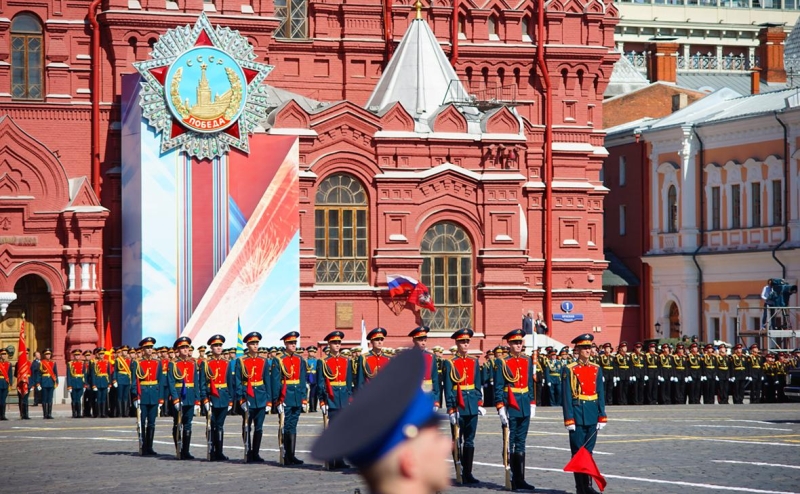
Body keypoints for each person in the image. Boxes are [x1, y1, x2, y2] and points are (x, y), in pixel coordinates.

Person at [311, 348, 450, 494]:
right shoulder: (335, 361)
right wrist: (324, 401)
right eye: (436, 438)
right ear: (408, 462)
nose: (448, 445)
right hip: (333, 398)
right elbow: (355, 382)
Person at [562, 333, 607, 494]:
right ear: (578, 349)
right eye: (585, 348)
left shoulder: (596, 368)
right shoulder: (570, 369)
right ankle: (581, 487)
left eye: (590, 347)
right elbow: (566, 396)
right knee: (578, 453)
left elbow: (601, 393)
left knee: (588, 452)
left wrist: (602, 415)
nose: (588, 350)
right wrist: (569, 419)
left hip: (592, 413)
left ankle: (587, 486)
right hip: (578, 413)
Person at [494, 328, 535, 491]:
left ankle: (521, 478)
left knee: (521, 442)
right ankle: (512, 478)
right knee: (509, 443)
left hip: (524, 404)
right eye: (515, 342)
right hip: (511, 405)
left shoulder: (527, 360)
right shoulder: (502, 362)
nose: (518, 345)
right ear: (509, 344)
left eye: (520, 342)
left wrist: (532, 402)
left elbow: (530, 384)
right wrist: (500, 407)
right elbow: (498, 386)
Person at [443, 328, 485, 485]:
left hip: (472, 404)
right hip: (458, 405)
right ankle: (459, 471)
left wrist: (479, 402)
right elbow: (448, 387)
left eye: (467, 341)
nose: (465, 344)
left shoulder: (474, 361)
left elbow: (477, 384)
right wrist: (451, 409)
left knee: (470, 440)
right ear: (457, 343)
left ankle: (468, 472)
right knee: (456, 440)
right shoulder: (450, 363)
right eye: (462, 341)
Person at [316, 330, 353, 469]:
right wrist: (323, 401)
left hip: (343, 398)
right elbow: (320, 383)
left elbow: (348, 382)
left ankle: (340, 459)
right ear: (329, 344)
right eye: (334, 342)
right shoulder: (324, 362)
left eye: (339, 342)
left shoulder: (345, 360)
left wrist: (349, 397)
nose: (337, 345)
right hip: (330, 399)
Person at [234, 331, 271, 463]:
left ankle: (256, 452)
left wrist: (269, 401)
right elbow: (238, 381)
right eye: (252, 344)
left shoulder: (263, 361)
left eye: (256, 343)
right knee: (246, 426)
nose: (255, 346)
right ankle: (247, 451)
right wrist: (241, 399)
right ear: (247, 345)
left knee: (259, 427)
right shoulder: (241, 361)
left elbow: (267, 381)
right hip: (247, 397)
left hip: (260, 397)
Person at [272, 331, 307, 465]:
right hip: (285, 396)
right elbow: (276, 381)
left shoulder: (299, 359)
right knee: (285, 425)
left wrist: (304, 398)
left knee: (293, 425)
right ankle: (285, 454)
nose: (293, 345)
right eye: (290, 343)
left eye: (294, 343)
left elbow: (302, 379)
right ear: (285, 344)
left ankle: (292, 454)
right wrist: (277, 400)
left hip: (297, 395)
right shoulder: (279, 359)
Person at [201, 334, 235, 461]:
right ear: (211, 348)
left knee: (220, 425)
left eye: (220, 345)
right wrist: (204, 399)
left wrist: (231, 399)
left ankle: (219, 451)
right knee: (211, 424)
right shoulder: (206, 364)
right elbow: (202, 383)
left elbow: (230, 383)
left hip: (223, 397)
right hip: (211, 398)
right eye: (216, 346)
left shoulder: (226, 363)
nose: (219, 348)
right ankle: (211, 450)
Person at [168, 336, 200, 460]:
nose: (186, 349)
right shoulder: (173, 364)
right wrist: (175, 399)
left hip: (190, 396)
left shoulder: (193, 363)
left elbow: (195, 382)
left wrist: (197, 400)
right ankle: (179, 449)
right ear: (178, 350)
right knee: (177, 423)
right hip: (179, 396)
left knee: (188, 424)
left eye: (187, 347)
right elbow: (171, 382)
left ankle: (186, 450)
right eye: (183, 347)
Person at [131, 337, 163, 456]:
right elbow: (134, 381)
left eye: (151, 347)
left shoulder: (157, 363)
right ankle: (143, 446)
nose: (149, 350)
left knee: (151, 423)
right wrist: (135, 397)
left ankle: (150, 446)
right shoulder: (137, 363)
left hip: (153, 395)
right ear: (143, 349)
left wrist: (160, 398)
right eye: (147, 348)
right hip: (143, 395)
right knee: (142, 422)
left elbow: (160, 381)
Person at [408, 326, 441, 410]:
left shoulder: (430, 356)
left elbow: (435, 379)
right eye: (420, 340)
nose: (423, 343)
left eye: (425, 340)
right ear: (414, 340)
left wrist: (436, 401)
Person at [34, 348, 58, 419]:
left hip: (51, 382)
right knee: (44, 399)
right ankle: (45, 414)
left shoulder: (53, 363)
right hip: (44, 382)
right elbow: (39, 374)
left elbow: (55, 373)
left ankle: (49, 414)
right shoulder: (41, 363)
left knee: (50, 399)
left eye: (49, 354)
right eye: (47, 354)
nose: (48, 355)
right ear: (44, 355)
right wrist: (38, 383)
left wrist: (56, 382)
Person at [90, 347, 113, 417]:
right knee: (98, 399)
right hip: (98, 382)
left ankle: (104, 413)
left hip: (105, 382)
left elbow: (108, 374)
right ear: (98, 355)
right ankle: (98, 413)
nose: (102, 355)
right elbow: (93, 374)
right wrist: (94, 385)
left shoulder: (107, 362)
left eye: (103, 354)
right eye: (100, 354)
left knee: (104, 399)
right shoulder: (95, 363)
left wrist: (109, 384)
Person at [66, 349, 86, 418]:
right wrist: (69, 386)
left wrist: (84, 385)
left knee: (79, 399)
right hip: (73, 383)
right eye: (76, 355)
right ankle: (74, 413)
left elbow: (84, 374)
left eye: (78, 355)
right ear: (74, 356)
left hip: (80, 383)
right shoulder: (70, 364)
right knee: (74, 399)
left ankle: (79, 413)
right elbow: (69, 375)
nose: (77, 356)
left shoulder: (82, 363)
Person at [114, 346, 133, 418]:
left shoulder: (129, 360)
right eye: (123, 351)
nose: (125, 352)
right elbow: (115, 371)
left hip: (127, 380)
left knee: (125, 397)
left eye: (126, 351)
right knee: (119, 397)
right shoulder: (118, 360)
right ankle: (120, 413)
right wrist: (114, 380)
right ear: (121, 352)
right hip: (120, 379)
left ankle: (125, 412)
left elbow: (131, 371)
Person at [0, 348, 13, 420]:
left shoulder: (9, 364)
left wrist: (10, 384)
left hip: (5, 383)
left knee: (3, 400)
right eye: (2, 354)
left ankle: (3, 415)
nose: (4, 356)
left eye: (5, 354)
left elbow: (10, 375)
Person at [306, 346, 319, 413]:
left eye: (313, 352)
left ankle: (314, 407)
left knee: (315, 393)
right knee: (310, 393)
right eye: (310, 352)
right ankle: (311, 407)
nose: (312, 353)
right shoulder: (306, 361)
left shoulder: (317, 361)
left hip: (315, 377)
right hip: (308, 377)